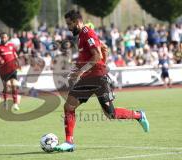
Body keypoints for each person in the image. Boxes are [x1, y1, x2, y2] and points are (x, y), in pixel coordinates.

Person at [54, 10, 150, 152]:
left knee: (110, 114)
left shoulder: (87, 33)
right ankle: (69, 142)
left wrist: (81, 71)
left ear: (77, 22)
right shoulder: (82, 35)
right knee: (69, 107)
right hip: (89, 77)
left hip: (97, 78)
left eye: (69, 24)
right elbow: (103, 49)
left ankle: (138, 115)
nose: (68, 27)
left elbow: (97, 55)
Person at [0, 32, 20, 110]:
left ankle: (15, 103)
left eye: (4, 37)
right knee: (6, 86)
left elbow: (15, 55)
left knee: (14, 85)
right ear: (0, 38)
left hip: (12, 68)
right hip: (4, 70)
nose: (3, 39)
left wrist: (18, 63)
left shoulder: (11, 46)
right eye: (2, 38)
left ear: (7, 38)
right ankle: (5, 101)